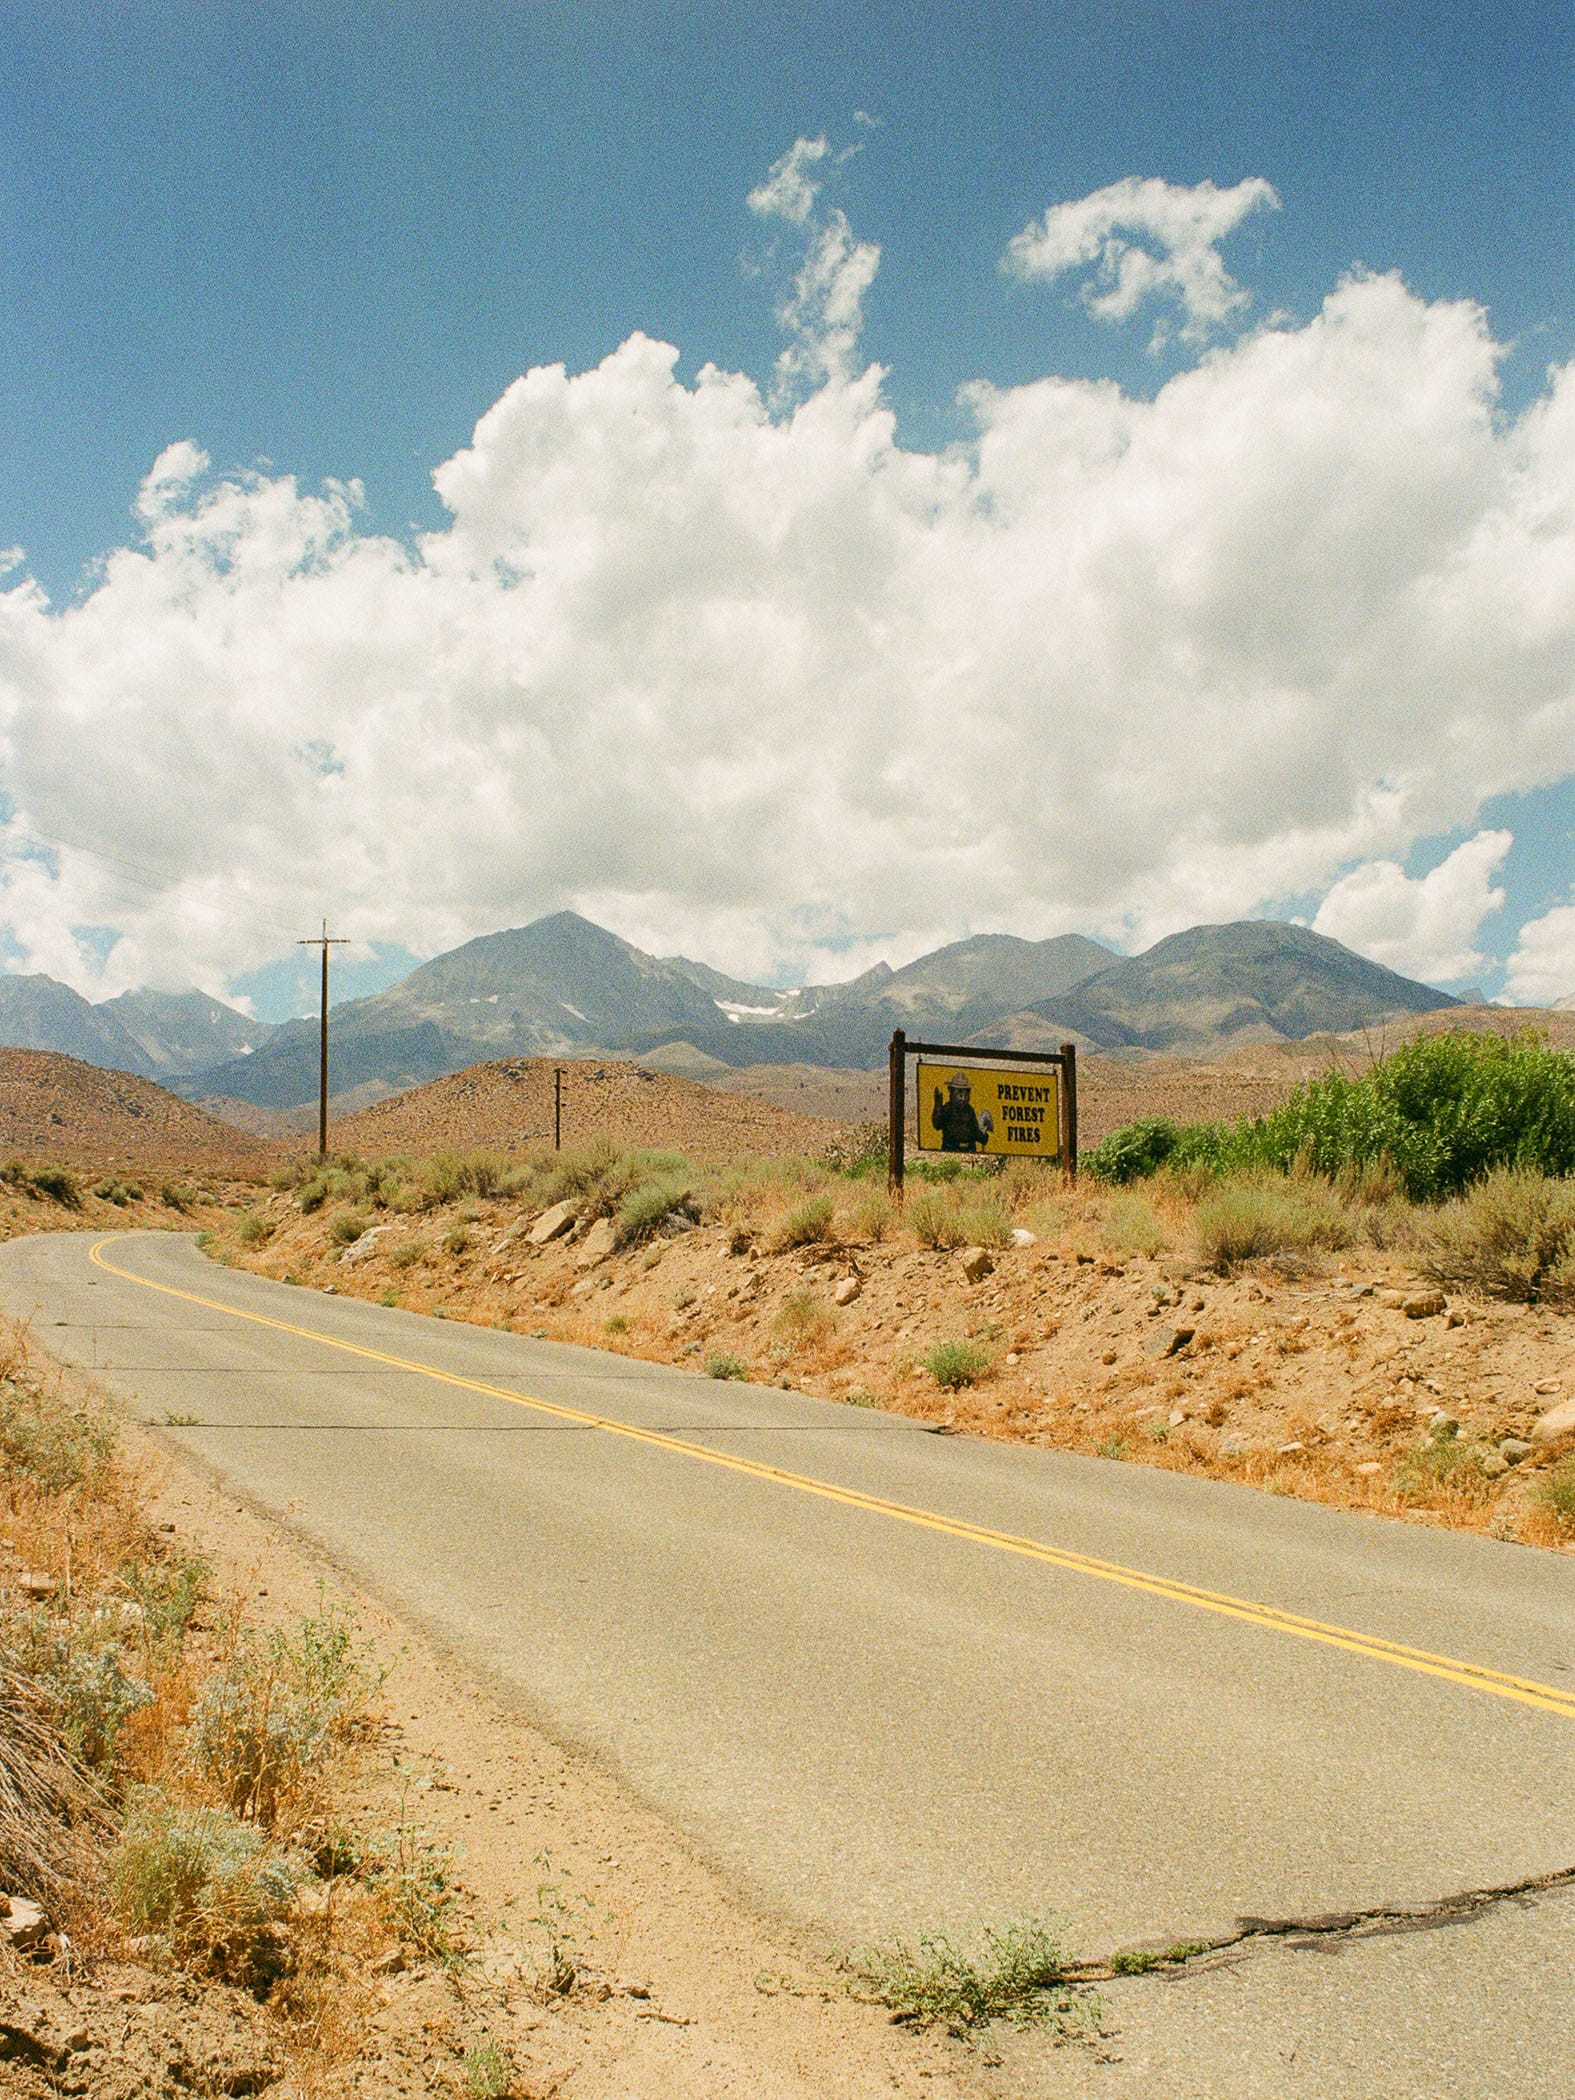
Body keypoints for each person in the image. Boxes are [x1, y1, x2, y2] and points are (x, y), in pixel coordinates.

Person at [931, 1071, 994, 1153]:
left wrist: (983, 1137)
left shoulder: (969, 1110)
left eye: (964, 1092)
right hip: (951, 1148)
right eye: (958, 1091)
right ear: (951, 1092)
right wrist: (938, 1106)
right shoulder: (948, 1108)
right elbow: (937, 1124)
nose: (962, 1096)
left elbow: (974, 1130)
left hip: (969, 1148)